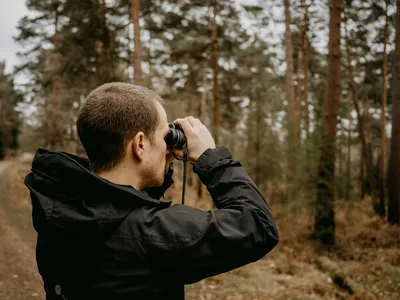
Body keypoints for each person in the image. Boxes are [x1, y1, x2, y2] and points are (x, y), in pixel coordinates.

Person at [25, 82, 279, 300]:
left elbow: (118, 205)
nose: (167, 145)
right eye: (164, 136)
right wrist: (211, 160)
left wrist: (156, 163)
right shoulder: (155, 235)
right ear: (139, 144)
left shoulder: (59, 209)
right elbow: (259, 226)